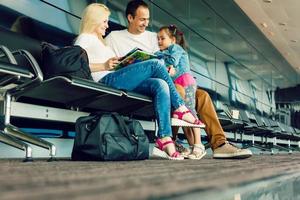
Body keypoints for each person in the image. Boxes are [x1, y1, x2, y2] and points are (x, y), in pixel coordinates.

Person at [105, 0, 252, 159]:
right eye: (142, 19)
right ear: (130, 18)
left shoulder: (153, 38)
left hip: (163, 79)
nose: (146, 23)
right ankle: (177, 141)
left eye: (148, 19)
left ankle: (220, 144)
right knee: (180, 92)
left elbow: (165, 60)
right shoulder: (114, 38)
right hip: (140, 84)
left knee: (202, 96)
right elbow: (110, 67)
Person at [74, 3, 203, 160]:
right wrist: (104, 65)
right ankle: (180, 108)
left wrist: (120, 62)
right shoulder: (85, 38)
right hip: (104, 82)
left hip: (115, 76)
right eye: (104, 21)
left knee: (160, 84)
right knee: (155, 64)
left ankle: (165, 138)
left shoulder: (101, 40)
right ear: (94, 20)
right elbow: (76, 64)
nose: (107, 25)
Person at [155, 25, 206, 160]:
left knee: (190, 113)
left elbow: (173, 61)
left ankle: (199, 144)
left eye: (162, 38)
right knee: (181, 114)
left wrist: (159, 56)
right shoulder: (168, 50)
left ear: (172, 40)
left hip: (186, 82)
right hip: (178, 84)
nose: (159, 41)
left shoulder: (176, 49)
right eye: (157, 39)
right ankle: (184, 144)